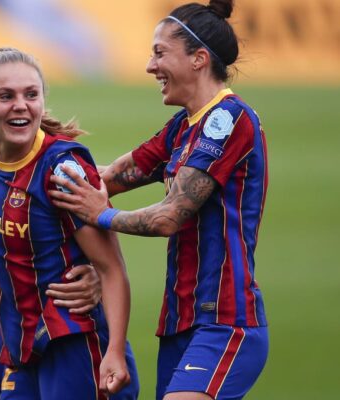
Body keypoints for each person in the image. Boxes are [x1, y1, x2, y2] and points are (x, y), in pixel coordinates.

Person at [49, 1, 269, 399]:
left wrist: (103, 215)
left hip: (223, 321)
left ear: (199, 59)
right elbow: (105, 178)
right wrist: (26, 162)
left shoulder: (227, 120)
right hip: (179, 323)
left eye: (159, 53)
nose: (150, 67)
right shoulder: (181, 128)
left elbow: (170, 217)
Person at [0, 47, 137, 399]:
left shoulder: (63, 171)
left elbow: (111, 268)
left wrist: (115, 352)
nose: (21, 105)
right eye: (6, 95)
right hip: (21, 345)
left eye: (31, 94)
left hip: (74, 341)